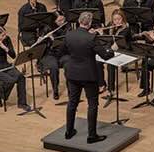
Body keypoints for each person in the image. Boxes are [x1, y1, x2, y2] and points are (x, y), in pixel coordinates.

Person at [59, 12, 114, 143]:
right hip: (88, 75)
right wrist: (111, 50)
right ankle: (91, 135)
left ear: (79, 21)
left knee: (72, 102)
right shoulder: (91, 38)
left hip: (72, 73)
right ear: (89, 23)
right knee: (92, 104)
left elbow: (61, 52)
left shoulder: (69, 34)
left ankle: (69, 131)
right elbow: (105, 56)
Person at [0, 25, 30, 111]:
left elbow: (13, 55)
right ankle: (0, 95)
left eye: (5, 34)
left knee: (21, 77)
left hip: (6, 65)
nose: (5, 36)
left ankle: (21, 103)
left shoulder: (7, 40)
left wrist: (5, 48)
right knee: (11, 80)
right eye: (2, 35)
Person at [101, 9, 132, 105]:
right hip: (113, 49)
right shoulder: (111, 25)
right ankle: (102, 84)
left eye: (119, 19)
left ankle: (111, 90)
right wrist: (101, 33)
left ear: (123, 19)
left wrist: (107, 50)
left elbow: (117, 43)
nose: (117, 21)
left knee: (110, 64)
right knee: (97, 62)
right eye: (115, 19)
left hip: (124, 50)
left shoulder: (126, 29)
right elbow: (106, 39)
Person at [37, 12, 70, 100]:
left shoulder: (68, 27)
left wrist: (55, 40)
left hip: (63, 53)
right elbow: (40, 47)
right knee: (53, 67)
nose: (62, 22)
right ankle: (55, 89)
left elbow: (69, 42)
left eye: (63, 19)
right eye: (59, 20)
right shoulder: (47, 28)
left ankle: (71, 89)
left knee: (69, 64)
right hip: (49, 54)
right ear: (54, 21)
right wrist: (44, 40)